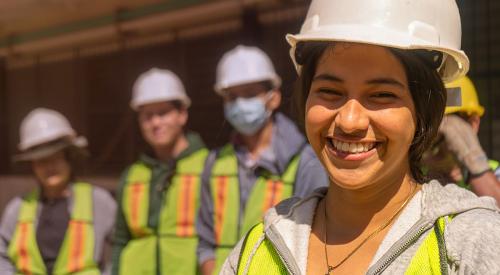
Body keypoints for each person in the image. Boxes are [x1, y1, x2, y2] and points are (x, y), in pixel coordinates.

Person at [221, 0, 500, 274]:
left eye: (381, 95)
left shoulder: (469, 244)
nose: (349, 121)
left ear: (423, 111)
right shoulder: (257, 248)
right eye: (330, 91)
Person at [196, 45, 328, 275]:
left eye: (248, 94)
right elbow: (205, 243)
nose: (239, 104)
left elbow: (316, 246)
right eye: (232, 97)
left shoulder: (305, 163)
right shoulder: (214, 163)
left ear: (273, 98)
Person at [111, 68, 209, 275]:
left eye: (163, 113)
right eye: (148, 116)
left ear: (182, 115)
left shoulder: (209, 165)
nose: (155, 123)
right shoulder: (131, 175)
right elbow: (120, 240)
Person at [0, 108, 116, 275]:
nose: (49, 167)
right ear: (32, 165)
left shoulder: (98, 201)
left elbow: (123, 244)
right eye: (41, 161)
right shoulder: (18, 208)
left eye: (55, 158)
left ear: (69, 157)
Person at [422, 76, 500, 203]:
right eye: (430, 121)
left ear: (473, 124)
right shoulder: (410, 174)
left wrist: (475, 164)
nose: (437, 132)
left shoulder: (495, 172)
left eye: (448, 120)